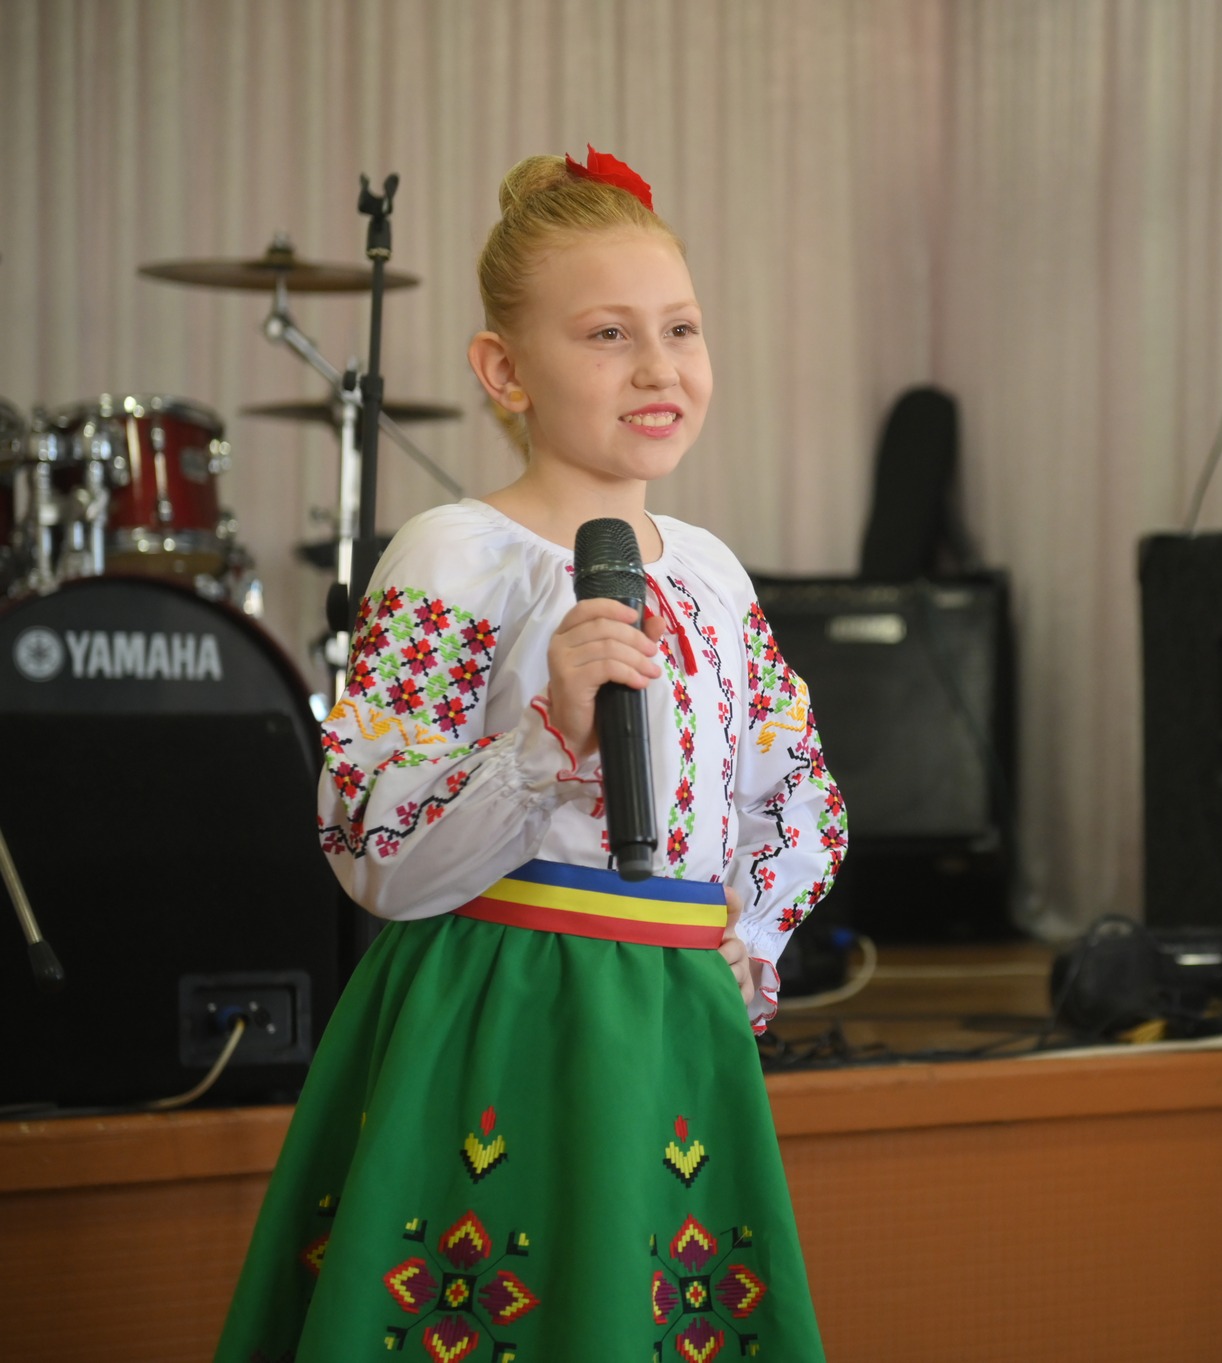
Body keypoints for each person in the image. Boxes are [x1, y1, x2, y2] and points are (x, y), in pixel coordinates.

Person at [213, 147, 845, 1362]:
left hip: (673, 1012)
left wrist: (751, 934)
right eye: (608, 334)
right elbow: (367, 836)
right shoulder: (456, 555)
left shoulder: (711, 574)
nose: (657, 366)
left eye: (680, 328)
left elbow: (798, 790)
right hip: (504, 1005)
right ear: (504, 369)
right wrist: (545, 737)